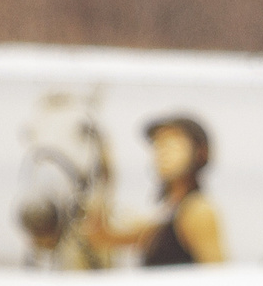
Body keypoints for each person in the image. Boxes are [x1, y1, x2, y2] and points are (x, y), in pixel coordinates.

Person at [84, 114, 225, 266]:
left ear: (199, 152)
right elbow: (101, 237)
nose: (162, 152)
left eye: (172, 144)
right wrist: (103, 174)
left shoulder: (198, 210)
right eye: (158, 144)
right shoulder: (169, 214)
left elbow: (218, 278)